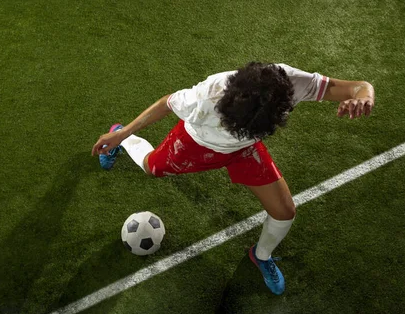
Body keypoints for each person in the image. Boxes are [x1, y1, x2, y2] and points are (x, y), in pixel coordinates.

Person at [91, 62, 375, 295]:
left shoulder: (290, 85)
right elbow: (166, 104)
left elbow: (358, 86)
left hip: (243, 150)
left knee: (284, 211)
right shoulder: (208, 95)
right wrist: (123, 132)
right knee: (150, 167)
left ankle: (260, 256)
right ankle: (122, 142)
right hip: (196, 144)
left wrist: (364, 96)